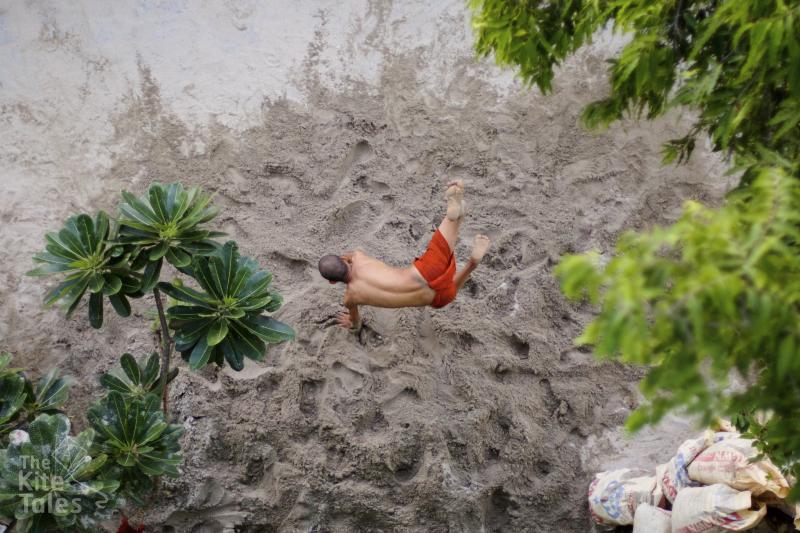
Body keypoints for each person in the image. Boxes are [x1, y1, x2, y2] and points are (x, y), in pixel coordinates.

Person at [318, 180, 491, 329]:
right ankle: (453, 211)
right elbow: (351, 256)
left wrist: (351, 321)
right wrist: (350, 258)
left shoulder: (350, 298)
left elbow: (355, 323)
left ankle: (472, 263)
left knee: (449, 292)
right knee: (454, 220)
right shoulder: (358, 257)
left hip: (433, 298)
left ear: (333, 282)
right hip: (423, 272)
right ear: (343, 259)